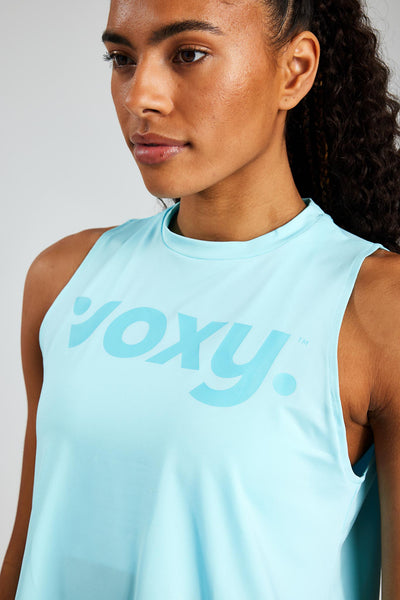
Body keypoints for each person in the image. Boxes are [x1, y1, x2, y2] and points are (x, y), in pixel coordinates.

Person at [1, 0, 399, 598]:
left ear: (294, 70)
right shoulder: (64, 278)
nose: (140, 97)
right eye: (121, 59)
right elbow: (27, 554)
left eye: (188, 54)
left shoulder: (378, 309)